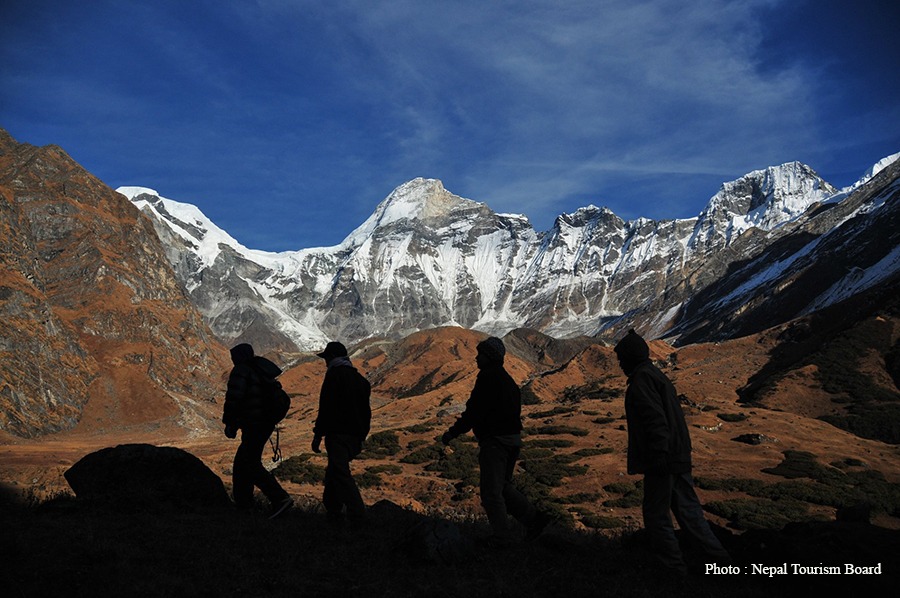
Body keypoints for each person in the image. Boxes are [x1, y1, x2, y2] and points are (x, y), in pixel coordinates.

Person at [614, 329, 731, 574]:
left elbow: (655, 421)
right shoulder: (656, 376)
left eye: (621, 358)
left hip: (663, 459)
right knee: (689, 511)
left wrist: (658, 454)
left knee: (657, 514)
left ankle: (672, 568)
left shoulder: (642, 381)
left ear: (630, 357)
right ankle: (719, 562)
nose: (619, 363)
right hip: (677, 455)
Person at [441, 337, 551, 546]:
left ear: (489, 357)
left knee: (491, 492)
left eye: (480, 354)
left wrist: (452, 433)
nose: (476, 358)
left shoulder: (487, 378)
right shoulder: (507, 380)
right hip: (512, 440)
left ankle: (502, 538)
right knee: (503, 487)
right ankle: (535, 520)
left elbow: (474, 411)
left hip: (495, 442)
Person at [223, 343, 293, 519]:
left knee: (249, 463)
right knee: (243, 462)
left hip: (253, 424)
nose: (232, 360)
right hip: (265, 423)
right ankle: (244, 505)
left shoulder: (241, 371)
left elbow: (234, 398)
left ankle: (279, 498)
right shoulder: (261, 370)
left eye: (234, 357)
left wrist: (230, 422)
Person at [312, 341, 372, 527]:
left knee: (340, 473)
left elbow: (326, 408)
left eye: (326, 358)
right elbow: (366, 412)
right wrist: (362, 434)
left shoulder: (334, 376)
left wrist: (318, 434)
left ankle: (357, 516)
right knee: (334, 472)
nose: (325, 362)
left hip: (337, 433)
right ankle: (333, 512)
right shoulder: (361, 380)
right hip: (355, 435)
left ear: (331, 358)